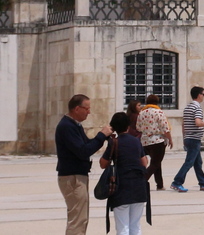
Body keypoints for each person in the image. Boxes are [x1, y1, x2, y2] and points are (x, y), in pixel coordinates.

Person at [55, 94, 112, 235]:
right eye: (86, 109)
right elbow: (83, 151)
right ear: (76, 109)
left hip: (77, 176)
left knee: (81, 218)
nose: (89, 112)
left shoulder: (75, 125)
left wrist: (104, 137)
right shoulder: (67, 126)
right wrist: (101, 136)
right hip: (72, 177)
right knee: (77, 219)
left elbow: (87, 144)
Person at [100, 111, 150, 235]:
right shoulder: (136, 141)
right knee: (135, 226)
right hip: (138, 186)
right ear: (128, 125)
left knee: (123, 227)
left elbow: (103, 164)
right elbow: (144, 163)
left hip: (121, 187)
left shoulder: (114, 142)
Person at [171, 86, 204, 192]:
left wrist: (184, 137)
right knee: (189, 162)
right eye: (203, 94)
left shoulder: (187, 107)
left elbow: (183, 124)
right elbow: (198, 122)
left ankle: (203, 183)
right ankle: (177, 182)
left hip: (189, 137)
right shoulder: (197, 107)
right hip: (194, 138)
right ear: (199, 95)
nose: (203, 96)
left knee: (197, 162)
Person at [135, 94, 172, 191]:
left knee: (156, 162)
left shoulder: (142, 113)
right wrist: (170, 139)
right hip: (157, 141)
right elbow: (165, 128)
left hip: (145, 141)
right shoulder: (159, 112)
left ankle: (159, 184)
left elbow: (138, 127)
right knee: (155, 163)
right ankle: (141, 181)